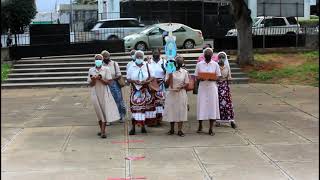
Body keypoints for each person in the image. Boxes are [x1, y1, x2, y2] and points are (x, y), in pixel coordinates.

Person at [88, 54, 120, 138]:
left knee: (104, 111)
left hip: (104, 93)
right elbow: (91, 84)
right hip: (95, 93)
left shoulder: (106, 69)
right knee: (98, 112)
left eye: (99, 59)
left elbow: (109, 82)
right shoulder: (91, 70)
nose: (98, 60)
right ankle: (101, 129)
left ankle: (103, 132)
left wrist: (100, 78)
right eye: (96, 59)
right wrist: (94, 80)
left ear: (102, 60)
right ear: (94, 60)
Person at [127, 50, 155, 135]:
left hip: (145, 89)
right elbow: (128, 79)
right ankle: (133, 127)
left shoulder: (147, 66)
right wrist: (134, 81)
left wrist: (146, 81)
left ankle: (143, 127)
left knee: (144, 109)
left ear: (143, 57)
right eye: (137, 57)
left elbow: (152, 76)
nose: (139, 58)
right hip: (135, 90)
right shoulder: (131, 67)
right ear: (135, 57)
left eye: (140, 57)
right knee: (134, 109)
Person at [195, 48, 221, 136]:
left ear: (212, 55)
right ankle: (200, 126)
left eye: (209, 54)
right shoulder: (199, 64)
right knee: (201, 106)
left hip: (212, 88)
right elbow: (196, 76)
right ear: (204, 55)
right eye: (206, 54)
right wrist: (200, 78)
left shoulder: (215, 64)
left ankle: (211, 128)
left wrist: (212, 78)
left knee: (212, 107)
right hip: (202, 88)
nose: (208, 55)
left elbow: (218, 76)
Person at [163, 55, 189, 137]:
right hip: (171, 93)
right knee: (171, 110)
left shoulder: (184, 72)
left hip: (181, 93)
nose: (179, 63)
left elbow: (187, 83)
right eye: (178, 61)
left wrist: (181, 87)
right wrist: (170, 75)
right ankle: (171, 129)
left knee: (181, 111)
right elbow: (166, 85)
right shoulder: (169, 71)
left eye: (180, 62)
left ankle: (180, 130)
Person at [101, 50, 126, 124]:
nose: (106, 58)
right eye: (104, 57)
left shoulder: (114, 64)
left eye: (107, 56)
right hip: (105, 84)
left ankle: (121, 115)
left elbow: (119, 75)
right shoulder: (101, 65)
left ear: (109, 56)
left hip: (114, 84)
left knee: (119, 100)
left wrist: (111, 79)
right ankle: (109, 118)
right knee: (108, 102)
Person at [146, 48, 166, 126]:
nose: (156, 54)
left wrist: (164, 68)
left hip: (161, 84)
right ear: (152, 53)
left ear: (160, 53)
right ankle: (152, 120)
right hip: (151, 85)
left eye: (157, 52)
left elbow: (168, 72)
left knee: (160, 103)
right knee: (151, 102)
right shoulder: (149, 62)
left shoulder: (164, 61)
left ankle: (159, 120)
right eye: (154, 52)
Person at [216, 52, 236, 128]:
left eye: (223, 57)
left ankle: (230, 120)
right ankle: (218, 120)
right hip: (217, 87)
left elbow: (229, 78)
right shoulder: (215, 66)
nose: (221, 59)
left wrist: (228, 79)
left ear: (225, 59)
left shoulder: (227, 67)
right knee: (218, 103)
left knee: (228, 104)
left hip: (225, 87)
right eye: (220, 57)